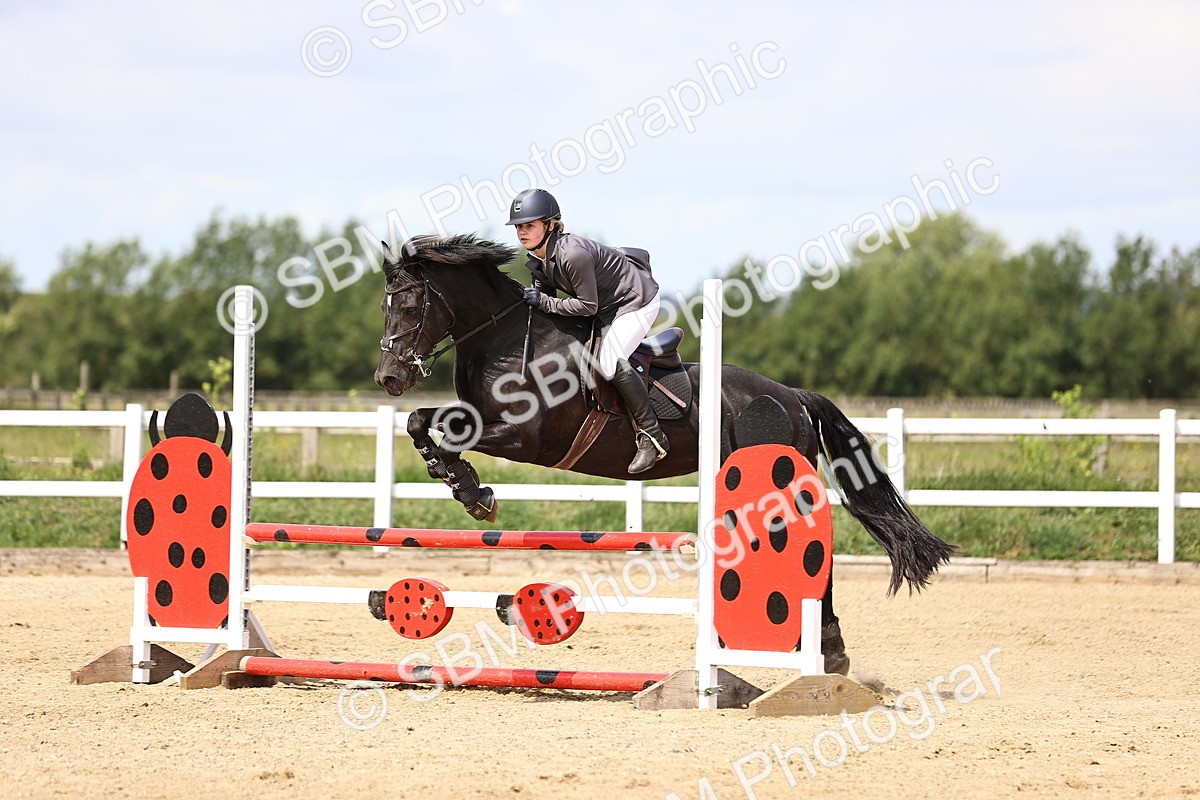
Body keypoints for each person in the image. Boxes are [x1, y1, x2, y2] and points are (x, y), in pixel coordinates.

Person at [505, 188, 668, 474]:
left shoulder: (572, 254)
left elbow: (587, 306)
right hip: (606, 306)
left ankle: (652, 436)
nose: (522, 232)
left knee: (609, 361)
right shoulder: (538, 259)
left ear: (551, 225)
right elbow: (549, 309)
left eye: (529, 225)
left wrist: (543, 300)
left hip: (634, 301)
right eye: (519, 226)